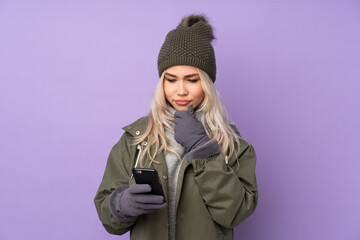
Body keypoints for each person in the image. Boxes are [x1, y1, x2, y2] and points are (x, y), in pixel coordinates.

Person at [94, 14, 258, 240]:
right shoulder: (136, 139)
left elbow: (235, 213)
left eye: (192, 79)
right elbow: (108, 219)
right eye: (171, 79)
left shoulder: (233, 144)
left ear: (207, 82)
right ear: (161, 82)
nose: (181, 90)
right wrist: (121, 204)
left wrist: (203, 149)